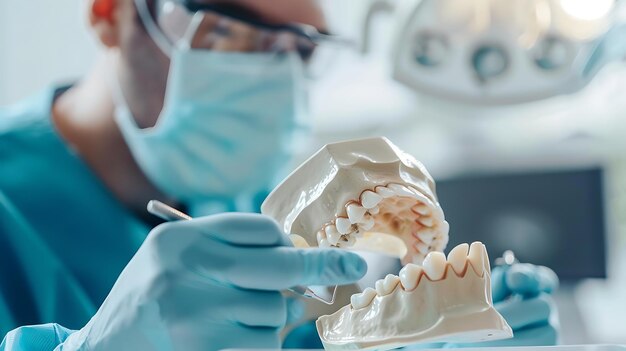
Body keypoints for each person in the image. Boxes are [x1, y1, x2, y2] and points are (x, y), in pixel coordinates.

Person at [0, 0, 559, 349]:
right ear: (110, 13)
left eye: (300, 49)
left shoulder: (256, 206)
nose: (271, 73)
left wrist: (419, 334)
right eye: (224, 30)